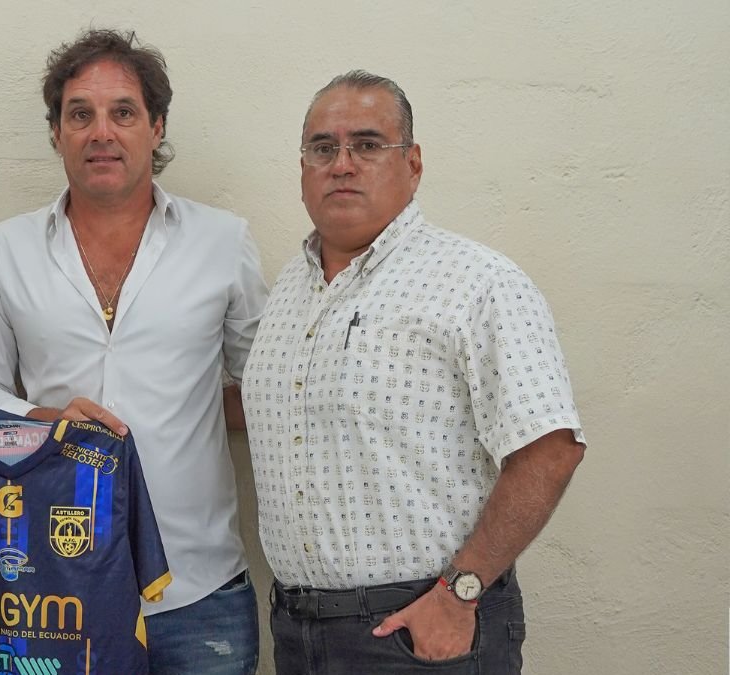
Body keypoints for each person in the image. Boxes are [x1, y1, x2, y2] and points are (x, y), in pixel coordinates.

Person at [243, 70, 587, 674]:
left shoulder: (476, 282)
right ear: (303, 169)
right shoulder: (289, 292)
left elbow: (550, 448)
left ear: (414, 163)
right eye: (323, 148)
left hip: (419, 633)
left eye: (368, 145)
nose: (342, 164)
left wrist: (460, 594)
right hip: (299, 633)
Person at [0, 28, 268, 675]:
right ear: (56, 133)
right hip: (53, 585)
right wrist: (47, 420)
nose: (102, 131)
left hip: (200, 588)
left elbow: (263, 386)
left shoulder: (222, 242)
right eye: (80, 114)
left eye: (123, 111)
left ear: (156, 126)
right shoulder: (3, 250)